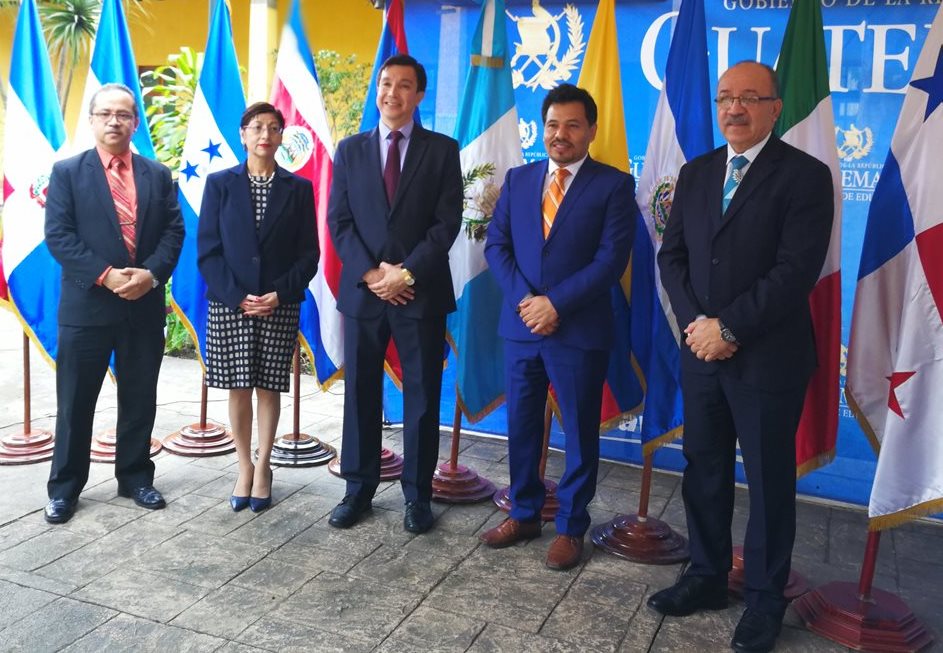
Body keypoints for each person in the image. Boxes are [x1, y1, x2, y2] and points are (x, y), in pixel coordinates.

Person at [651, 62, 834, 653]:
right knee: (703, 469)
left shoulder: (805, 176)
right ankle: (705, 576)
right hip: (702, 353)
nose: (734, 108)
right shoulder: (698, 171)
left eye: (749, 99)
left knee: (768, 482)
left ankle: (763, 600)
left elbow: (794, 271)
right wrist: (698, 326)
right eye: (725, 97)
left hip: (767, 358)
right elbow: (671, 257)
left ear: (775, 109)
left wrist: (729, 326)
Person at [480, 84, 636, 570]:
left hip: (578, 330)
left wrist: (557, 304)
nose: (560, 135)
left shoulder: (613, 185)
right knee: (522, 426)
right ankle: (524, 512)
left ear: (591, 130)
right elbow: (496, 248)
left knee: (580, 432)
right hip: (522, 326)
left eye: (572, 125)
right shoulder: (520, 179)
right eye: (552, 125)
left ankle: (571, 526)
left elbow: (610, 261)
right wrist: (528, 301)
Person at [327, 54, 462, 534]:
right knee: (361, 393)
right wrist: (371, 274)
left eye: (404, 85)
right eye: (385, 84)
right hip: (364, 295)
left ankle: (417, 497)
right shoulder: (349, 150)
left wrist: (405, 274)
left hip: (418, 294)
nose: (392, 93)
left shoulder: (442, 150)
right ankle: (357, 490)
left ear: (419, 95)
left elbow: (447, 223)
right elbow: (339, 222)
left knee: (421, 398)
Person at [43, 83, 184, 524]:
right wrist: (106, 275)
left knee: (140, 396)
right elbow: (59, 236)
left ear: (135, 122)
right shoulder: (67, 172)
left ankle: (136, 476)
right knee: (75, 402)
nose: (114, 122)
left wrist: (151, 275)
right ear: (91, 120)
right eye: (105, 114)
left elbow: (173, 233)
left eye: (123, 114)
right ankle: (65, 488)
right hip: (87, 306)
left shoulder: (157, 175)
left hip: (142, 304)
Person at [198, 102, 318, 513]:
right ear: (243, 134)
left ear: (282, 136)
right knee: (238, 387)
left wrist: (279, 294)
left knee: (269, 385)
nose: (264, 134)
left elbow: (309, 255)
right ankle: (243, 466)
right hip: (231, 304)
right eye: (256, 127)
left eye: (273, 127)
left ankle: (264, 466)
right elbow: (208, 252)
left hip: (277, 304)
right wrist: (237, 296)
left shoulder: (299, 189)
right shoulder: (219, 184)